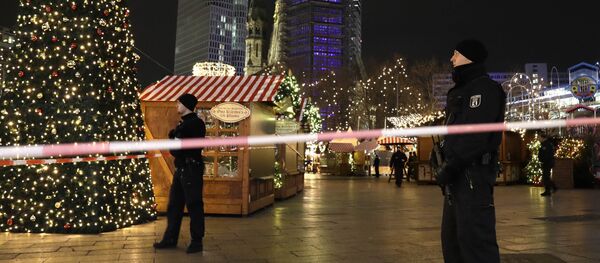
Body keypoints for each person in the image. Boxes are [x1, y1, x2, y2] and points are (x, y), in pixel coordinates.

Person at [436, 39, 505, 263]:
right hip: (456, 180)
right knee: (452, 243)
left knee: (476, 244)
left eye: (456, 54)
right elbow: (456, 132)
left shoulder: (485, 89)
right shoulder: (461, 91)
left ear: (469, 57)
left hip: (473, 177)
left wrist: (451, 165)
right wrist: (442, 154)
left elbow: (475, 138)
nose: (451, 59)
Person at [154, 94, 206, 254]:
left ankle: (197, 242)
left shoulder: (195, 124)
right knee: (174, 205)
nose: (177, 105)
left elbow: (180, 149)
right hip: (182, 169)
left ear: (186, 105)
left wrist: (176, 139)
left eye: (179, 103)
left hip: (191, 169)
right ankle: (170, 238)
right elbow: (176, 148)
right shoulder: (185, 124)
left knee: (194, 205)